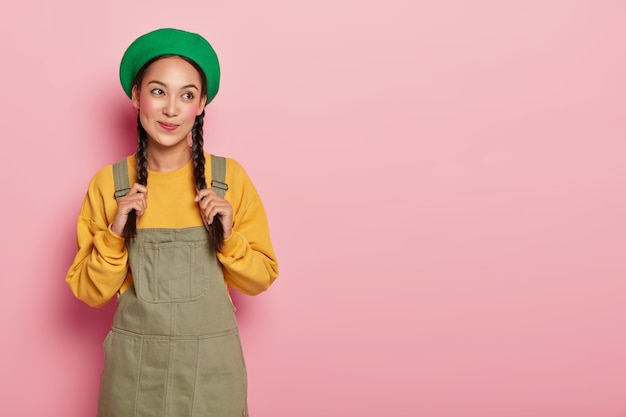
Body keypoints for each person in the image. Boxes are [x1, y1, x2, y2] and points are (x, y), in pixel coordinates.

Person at [65, 27, 279, 417]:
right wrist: (115, 233)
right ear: (136, 96)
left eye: (187, 95)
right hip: (134, 376)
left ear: (200, 106)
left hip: (213, 375)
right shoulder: (109, 185)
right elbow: (88, 292)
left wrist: (229, 238)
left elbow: (261, 278)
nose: (170, 109)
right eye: (158, 91)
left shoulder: (229, 180)